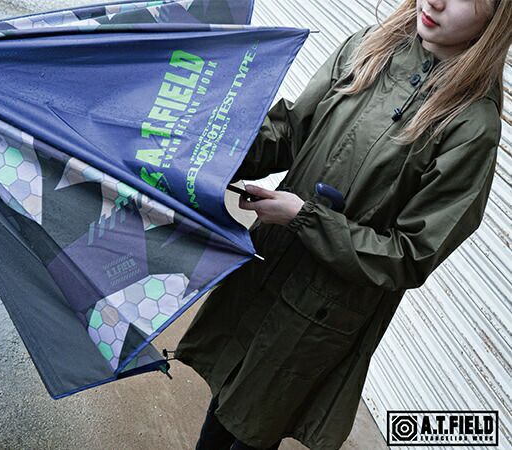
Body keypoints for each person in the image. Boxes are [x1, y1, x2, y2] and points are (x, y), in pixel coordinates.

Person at [173, 1, 511, 449]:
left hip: (320, 313)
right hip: (267, 265)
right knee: (225, 403)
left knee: (253, 425)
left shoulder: (471, 125)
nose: (436, 1)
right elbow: (291, 131)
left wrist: (305, 218)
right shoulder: (370, 45)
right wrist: (207, 157)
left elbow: (410, 255)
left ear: (496, 17)